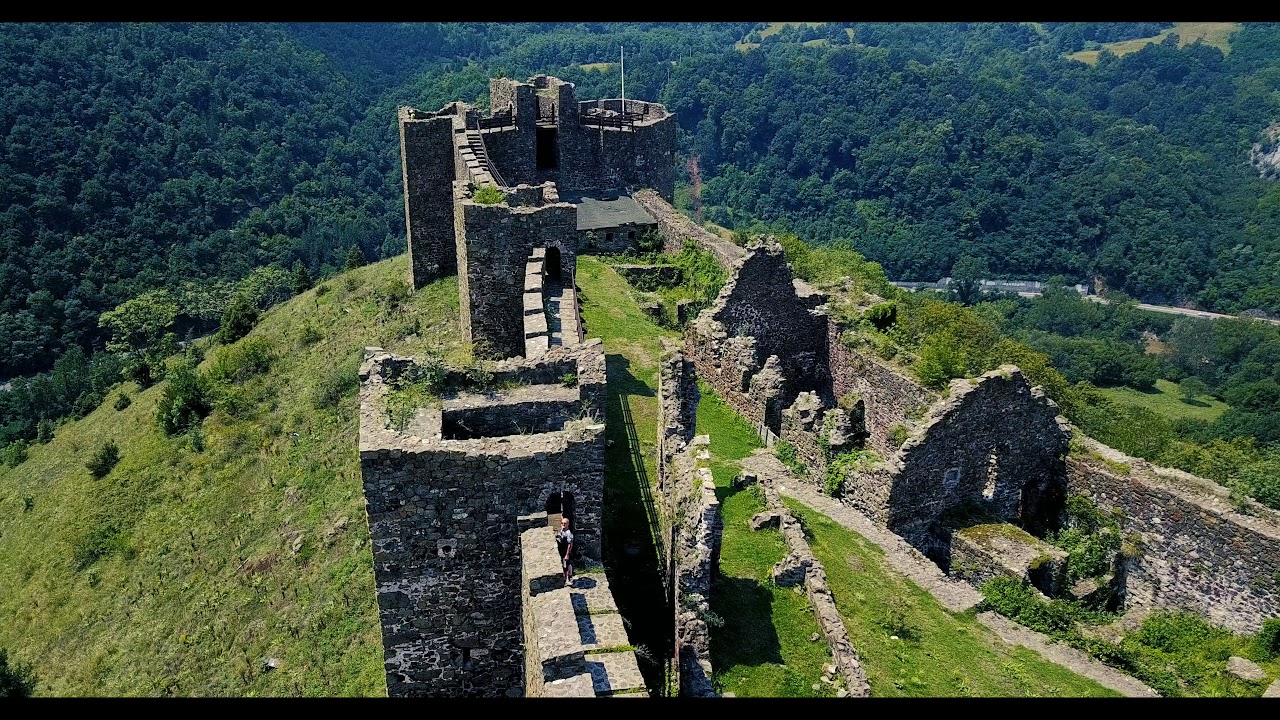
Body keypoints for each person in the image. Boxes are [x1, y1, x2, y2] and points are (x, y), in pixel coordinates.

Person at [556, 516, 574, 584]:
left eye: (565, 523)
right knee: (566, 564)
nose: (563, 525)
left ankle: (568, 578)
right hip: (562, 551)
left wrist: (567, 554)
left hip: (566, 551)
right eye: (562, 523)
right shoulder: (561, 531)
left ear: (568, 524)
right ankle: (567, 578)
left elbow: (570, 544)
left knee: (566, 565)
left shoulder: (568, 533)